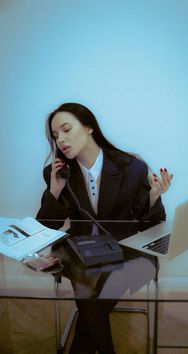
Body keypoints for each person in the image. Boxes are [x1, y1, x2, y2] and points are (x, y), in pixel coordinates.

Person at [36, 102, 173, 354]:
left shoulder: (131, 167)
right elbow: (46, 227)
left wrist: (154, 198)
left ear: (89, 127)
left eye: (66, 129)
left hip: (126, 250)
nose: (61, 140)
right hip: (80, 250)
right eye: (56, 136)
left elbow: (152, 226)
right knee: (86, 277)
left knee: (92, 295)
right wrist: (54, 192)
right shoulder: (58, 173)